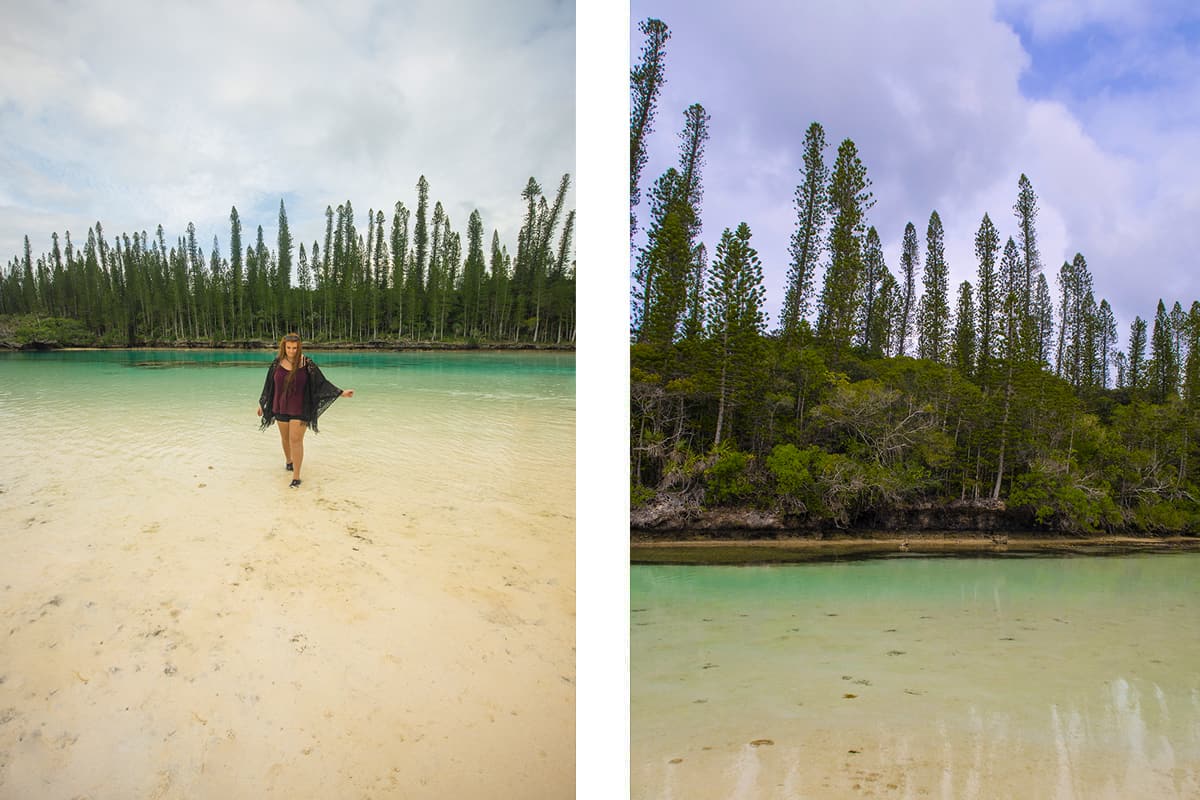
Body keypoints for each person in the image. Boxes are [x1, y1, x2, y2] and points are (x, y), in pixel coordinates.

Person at [256, 333, 354, 487]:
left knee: (296, 440)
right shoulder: (277, 363)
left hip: (300, 408)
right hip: (280, 406)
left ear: (299, 347)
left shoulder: (306, 363)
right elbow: (269, 386)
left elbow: (321, 383)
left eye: (295, 348)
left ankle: (296, 477)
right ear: (284, 347)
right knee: (285, 438)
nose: (292, 351)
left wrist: (341, 393)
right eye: (288, 347)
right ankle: (289, 461)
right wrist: (262, 404)